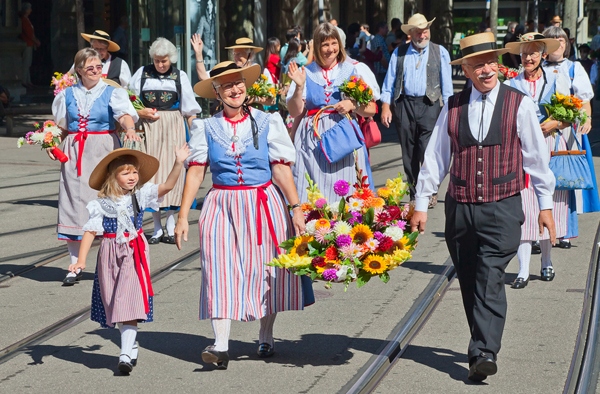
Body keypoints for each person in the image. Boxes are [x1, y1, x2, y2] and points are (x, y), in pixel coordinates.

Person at [410, 32, 557, 382]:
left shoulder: (519, 104)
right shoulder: (453, 104)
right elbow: (436, 158)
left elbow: (537, 159)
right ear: (467, 70)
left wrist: (545, 206)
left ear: (499, 65)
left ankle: (484, 351)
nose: (486, 69)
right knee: (469, 278)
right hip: (459, 209)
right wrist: (420, 202)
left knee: (490, 275)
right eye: (478, 64)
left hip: (502, 208)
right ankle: (481, 344)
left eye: (491, 62)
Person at [175, 61, 312, 369]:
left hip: (263, 202)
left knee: (264, 271)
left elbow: (280, 168)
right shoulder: (205, 127)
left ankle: (265, 332)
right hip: (221, 204)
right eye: (227, 85)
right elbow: (196, 173)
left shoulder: (268, 121)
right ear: (216, 92)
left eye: (238, 83)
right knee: (218, 269)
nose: (235, 89)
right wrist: (183, 216)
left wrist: (296, 208)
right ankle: (221, 344)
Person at [69, 146, 190, 374]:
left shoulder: (140, 195)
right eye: (126, 173)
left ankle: (124, 354)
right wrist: (80, 261)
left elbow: (168, 186)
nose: (132, 177)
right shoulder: (101, 204)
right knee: (115, 301)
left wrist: (178, 163)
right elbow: (90, 232)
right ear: (113, 176)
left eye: (134, 172)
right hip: (109, 254)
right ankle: (129, 342)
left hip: (134, 253)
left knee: (129, 300)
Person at [51, 48, 139, 285]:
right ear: (79, 70)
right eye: (91, 68)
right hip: (75, 152)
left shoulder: (111, 92)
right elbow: (61, 126)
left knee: (106, 204)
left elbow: (124, 116)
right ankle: (75, 263)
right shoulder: (67, 95)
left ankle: (109, 261)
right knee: (73, 204)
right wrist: (50, 142)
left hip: (103, 150)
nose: (96, 71)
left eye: (99, 67)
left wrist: (129, 128)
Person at [286, 22, 380, 203]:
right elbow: (295, 110)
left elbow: (370, 109)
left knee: (348, 190)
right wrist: (298, 87)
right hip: (312, 139)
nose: (330, 49)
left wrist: (352, 104)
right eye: (325, 44)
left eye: (334, 43)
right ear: (317, 46)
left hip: (344, 137)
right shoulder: (305, 72)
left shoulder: (354, 70)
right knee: (312, 192)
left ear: (340, 44)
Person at [504, 33, 566, 287]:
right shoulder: (511, 84)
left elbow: (570, 114)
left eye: (533, 53)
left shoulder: (555, 80)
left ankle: (547, 261)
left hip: (549, 145)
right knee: (525, 207)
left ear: (542, 55)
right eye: (524, 53)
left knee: (547, 205)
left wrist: (554, 122)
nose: (528, 57)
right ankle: (523, 269)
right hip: (521, 149)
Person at [129, 37, 201, 245]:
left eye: (164, 61)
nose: (160, 64)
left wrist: (195, 135)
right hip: (149, 128)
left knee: (174, 172)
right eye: (158, 60)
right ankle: (157, 227)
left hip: (173, 126)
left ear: (171, 59)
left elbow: (189, 108)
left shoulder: (180, 76)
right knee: (152, 174)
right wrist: (139, 111)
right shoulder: (142, 73)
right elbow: (128, 100)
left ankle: (170, 225)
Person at [380, 13, 453, 208]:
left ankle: (429, 191)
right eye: (419, 32)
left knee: (427, 151)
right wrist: (386, 106)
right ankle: (414, 194)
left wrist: (449, 112)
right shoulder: (399, 52)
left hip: (429, 105)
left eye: (425, 31)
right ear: (411, 33)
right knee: (409, 153)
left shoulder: (440, 52)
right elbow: (389, 82)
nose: (423, 35)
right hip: (404, 105)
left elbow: (447, 87)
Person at [542, 26, 597, 249]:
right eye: (553, 39)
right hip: (541, 130)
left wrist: (588, 119)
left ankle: (564, 230)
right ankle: (539, 232)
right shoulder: (536, 68)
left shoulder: (574, 68)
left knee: (564, 179)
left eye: (562, 39)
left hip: (566, 131)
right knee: (540, 181)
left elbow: (584, 100)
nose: (558, 43)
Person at [18, 2, 40, 89]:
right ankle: (24, 81)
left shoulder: (26, 19)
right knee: (26, 63)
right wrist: (36, 41)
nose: (31, 10)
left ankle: (28, 81)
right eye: (29, 8)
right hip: (27, 43)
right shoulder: (24, 20)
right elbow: (29, 34)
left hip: (29, 43)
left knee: (28, 63)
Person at [371, 21, 391, 87]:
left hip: (383, 71)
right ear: (380, 29)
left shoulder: (382, 39)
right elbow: (381, 56)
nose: (387, 30)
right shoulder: (378, 40)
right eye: (386, 28)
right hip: (381, 71)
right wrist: (388, 67)